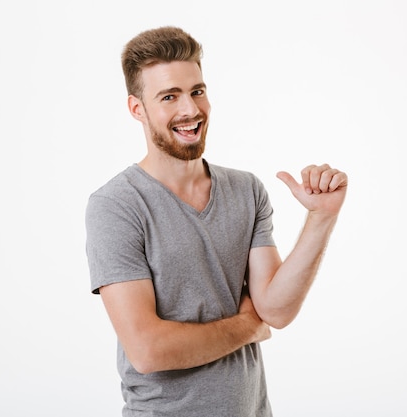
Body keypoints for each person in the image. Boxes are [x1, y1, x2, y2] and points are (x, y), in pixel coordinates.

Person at [85, 26, 347, 417]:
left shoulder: (246, 190)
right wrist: (246, 326)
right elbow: (148, 350)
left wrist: (321, 219)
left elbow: (275, 310)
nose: (190, 110)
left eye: (197, 91)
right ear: (137, 108)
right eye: (169, 97)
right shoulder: (116, 206)